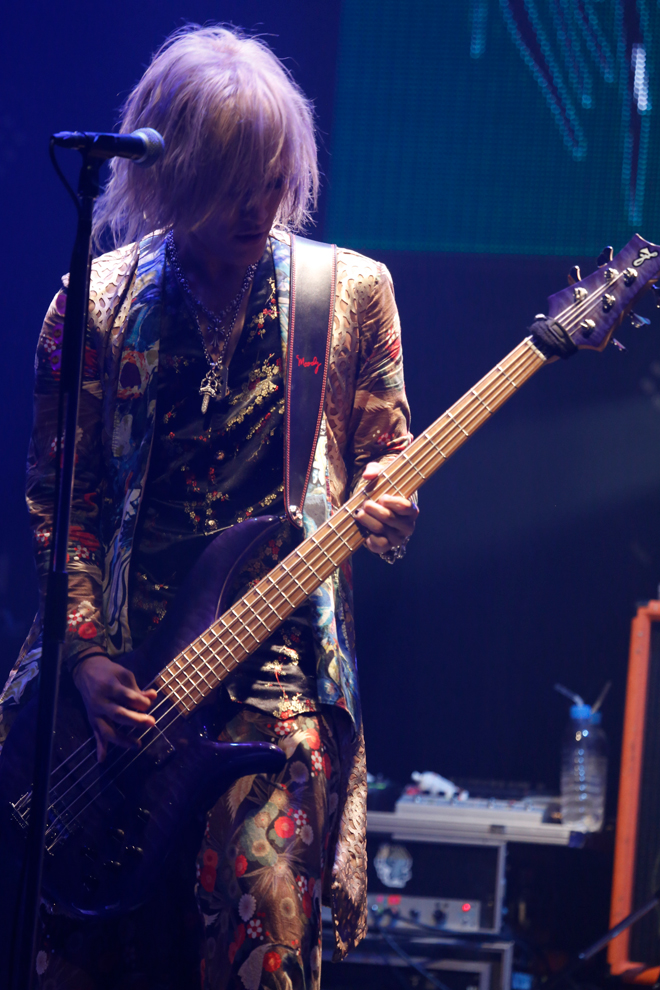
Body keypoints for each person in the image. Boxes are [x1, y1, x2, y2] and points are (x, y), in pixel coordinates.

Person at [0, 24, 418, 990]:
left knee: (264, 947)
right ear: (171, 174)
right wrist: (87, 658)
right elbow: (61, 500)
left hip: (276, 682)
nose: (258, 205)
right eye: (232, 183)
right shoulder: (93, 302)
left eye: (274, 179)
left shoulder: (351, 293)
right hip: (120, 692)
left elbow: (388, 463)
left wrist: (392, 512)